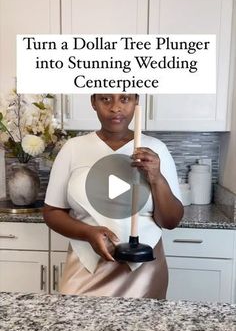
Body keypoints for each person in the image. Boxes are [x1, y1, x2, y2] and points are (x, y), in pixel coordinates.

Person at [43, 93, 183, 298]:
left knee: (141, 329)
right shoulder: (73, 149)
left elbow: (171, 221)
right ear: (93, 102)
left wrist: (156, 178)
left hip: (142, 270)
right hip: (86, 264)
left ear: (136, 101)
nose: (115, 108)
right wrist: (88, 233)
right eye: (106, 99)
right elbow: (52, 212)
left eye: (125, 99)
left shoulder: (156, 149)